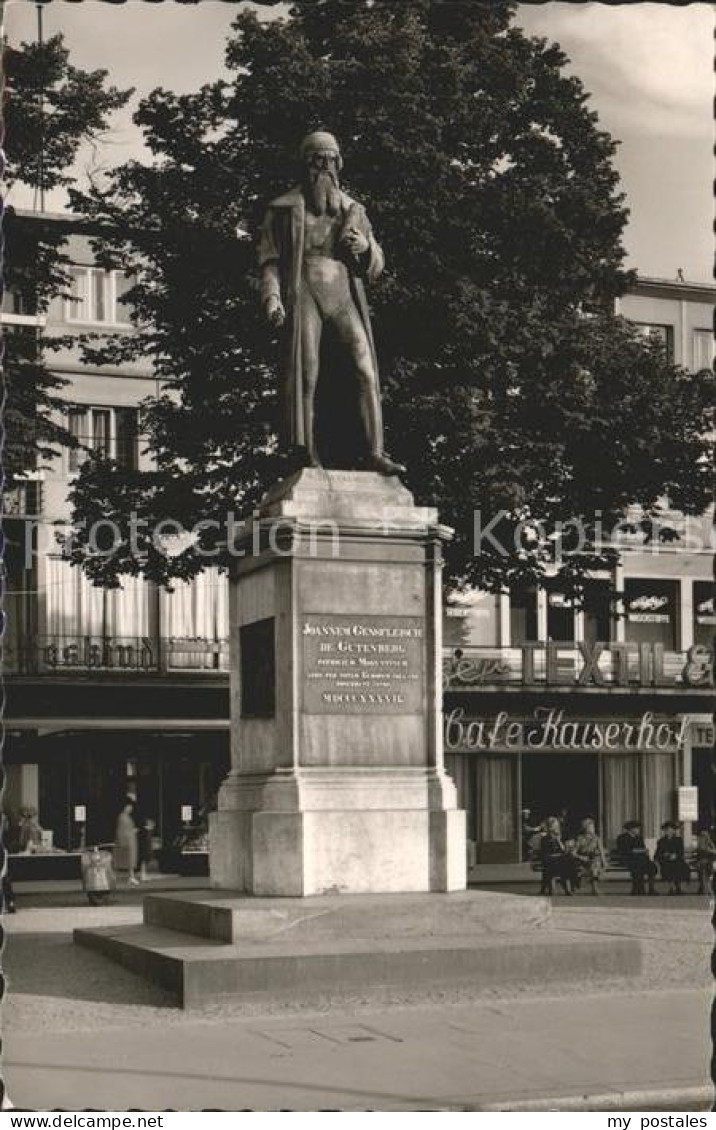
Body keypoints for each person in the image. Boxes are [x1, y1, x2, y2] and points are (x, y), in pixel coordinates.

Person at [258, 130, 404, 474]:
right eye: (317, 160)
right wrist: (272, 297)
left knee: (365, 369)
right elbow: (269, 260)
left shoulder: (354, 210)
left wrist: (365, 249)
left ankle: (374, 452)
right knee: (307, 372)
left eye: (330, 160)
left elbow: (377, 262)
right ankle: (303, 451)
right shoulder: (282, 209)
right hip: (303, 289)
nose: (324, 167)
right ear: (306, 164)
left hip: (342, 292)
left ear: (339, 163)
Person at [616, 819, 657, 896]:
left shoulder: (639, 838)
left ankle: (651, 888)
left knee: (651, 866)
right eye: (636, 828)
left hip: (640, 859)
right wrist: (639, 851)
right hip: (628, 859)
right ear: (631, 829)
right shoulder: (622, 838)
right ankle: (638, 888)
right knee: (638, 866)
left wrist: (644, 854)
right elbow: (626, 851)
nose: (638, 830)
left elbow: (643, 850)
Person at [539, 816, 578, 895]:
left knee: (567, 862)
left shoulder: (563, 836)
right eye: (552, 827)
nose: (555, 829)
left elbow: (565, 850)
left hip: (561, 859)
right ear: (549, 828)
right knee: (553, 863)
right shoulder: (545, 839)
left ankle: (568, 889)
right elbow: (545, 853)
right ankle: (556, 888)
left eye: (556, 826)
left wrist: (558, 841)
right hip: (551, 860)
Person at [655, 821, 690, 895]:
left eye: (672, 830)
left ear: (674, 831)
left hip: (677, 860)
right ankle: (672, 887)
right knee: (668, 866)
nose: (670, 831)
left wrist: (675, 855)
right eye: (667, 830)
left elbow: (681, 852)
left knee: (679, 866)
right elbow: (657, 854)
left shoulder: (678, 840)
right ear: (665, 831)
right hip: (666, 861)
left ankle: (678, 887)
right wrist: (665, 855)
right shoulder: (661, 841)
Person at [575, 817, 607, 896]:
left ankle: (594, 889)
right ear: (585, 828)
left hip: (593, 860)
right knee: (593, 867)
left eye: (593, 827)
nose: (593, 828)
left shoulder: (596, 838)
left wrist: (604, 861)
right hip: (582, 860)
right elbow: (574, 853)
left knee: (594, 866)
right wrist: (581, 857)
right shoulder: (580, 838)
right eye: (591, 827)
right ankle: (592, 887)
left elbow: (601, 851)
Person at [114, 798, 140, 886]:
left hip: (130, 840)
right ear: (126, 807)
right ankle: (131, 877)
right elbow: (121, 830)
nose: (131, 809)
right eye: (130, 807)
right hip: (128, 840)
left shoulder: (125, 816)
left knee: (130, 860)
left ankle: (131, 876)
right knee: (129, 860)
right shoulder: (123, 817)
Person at [694, 824, 716, 895]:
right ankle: (704, 887)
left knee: (709, 865)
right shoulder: (702, 840)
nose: (705, 834)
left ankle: (705, 887)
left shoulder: (711, 840)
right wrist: (712, 851)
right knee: (704, 865)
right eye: (703, 833)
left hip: (711, 860)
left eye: (706, 832)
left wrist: (712, 849)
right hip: (704, 860)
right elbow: (702, 850)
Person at [137, 817, 157, 882]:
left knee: (144, 862)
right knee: (144, 862)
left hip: (146, 848)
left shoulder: (148, 830)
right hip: (145, 848)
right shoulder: (145, 830)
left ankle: (143, 875)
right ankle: (143, 876)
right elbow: (146, 840)